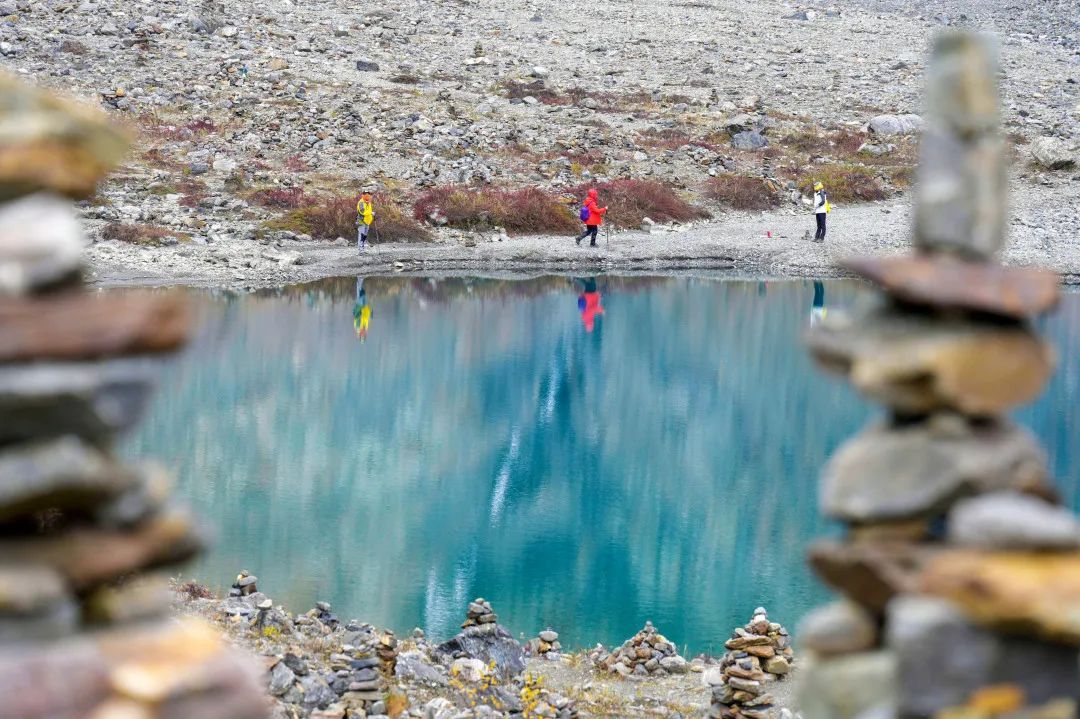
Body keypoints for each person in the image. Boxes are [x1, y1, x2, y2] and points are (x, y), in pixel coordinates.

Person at [353, 277, 371, 341]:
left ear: (360, 335)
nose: (363, 334)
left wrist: (360, 312)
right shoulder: (365, 327)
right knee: (362, 293)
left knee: (359, 294)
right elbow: (367, 317)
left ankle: (359, 280)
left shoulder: (358, 326)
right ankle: (360, 280)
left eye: (362, 335)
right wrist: (369, 311)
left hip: (359, 307)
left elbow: (356, 316)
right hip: (364, 307)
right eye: (364, 335)